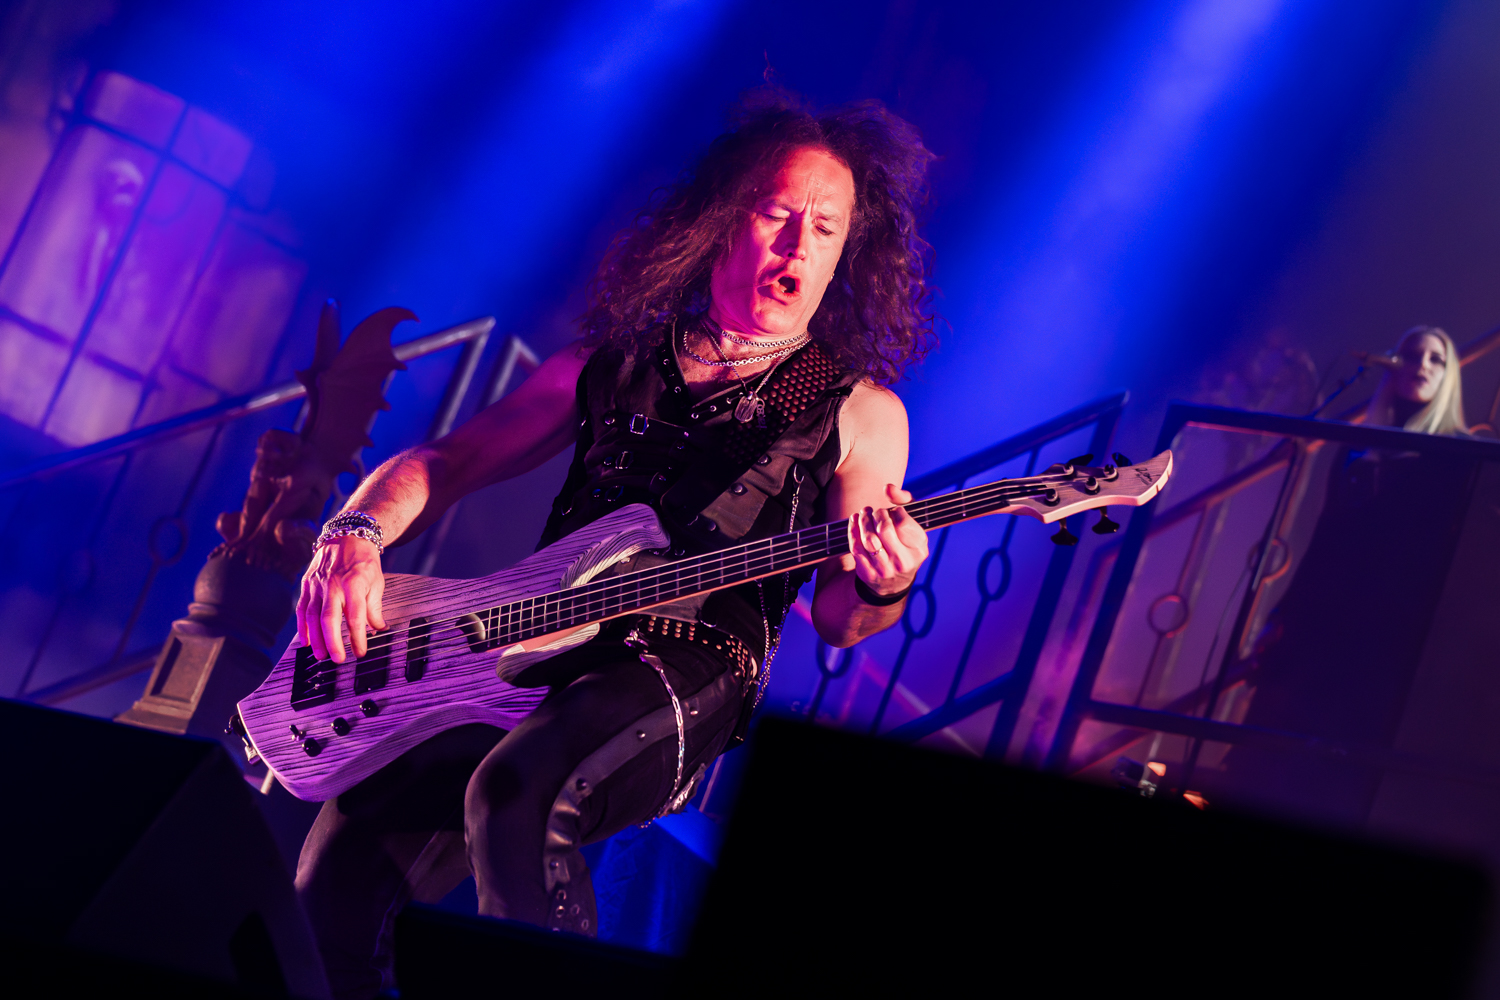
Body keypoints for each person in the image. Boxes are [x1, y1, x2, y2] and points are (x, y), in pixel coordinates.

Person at [293, 90, 937, 998]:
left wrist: (885, 582)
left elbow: (842, 618)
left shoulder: (856, 412)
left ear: (843, 257)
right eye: (777, 215)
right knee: (338, 867)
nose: (798, 246)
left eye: (825, 230)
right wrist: (355, 533)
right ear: (722, 219)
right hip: (531, 645)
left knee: (517, 798)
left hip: (689, 662)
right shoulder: (610, 364)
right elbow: (449, 459)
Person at [1221, 325, 1473, 826]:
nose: (1421, 365)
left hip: (1387, 633)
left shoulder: (1457, 458)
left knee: (1338, 774)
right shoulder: (1358, 447)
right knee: (1273, 754)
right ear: (1393, 363)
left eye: (1436, 359)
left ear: (1449, 377)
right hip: (1324, 617)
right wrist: (1283, 613)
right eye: (1412, 354)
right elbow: (1324, 540)